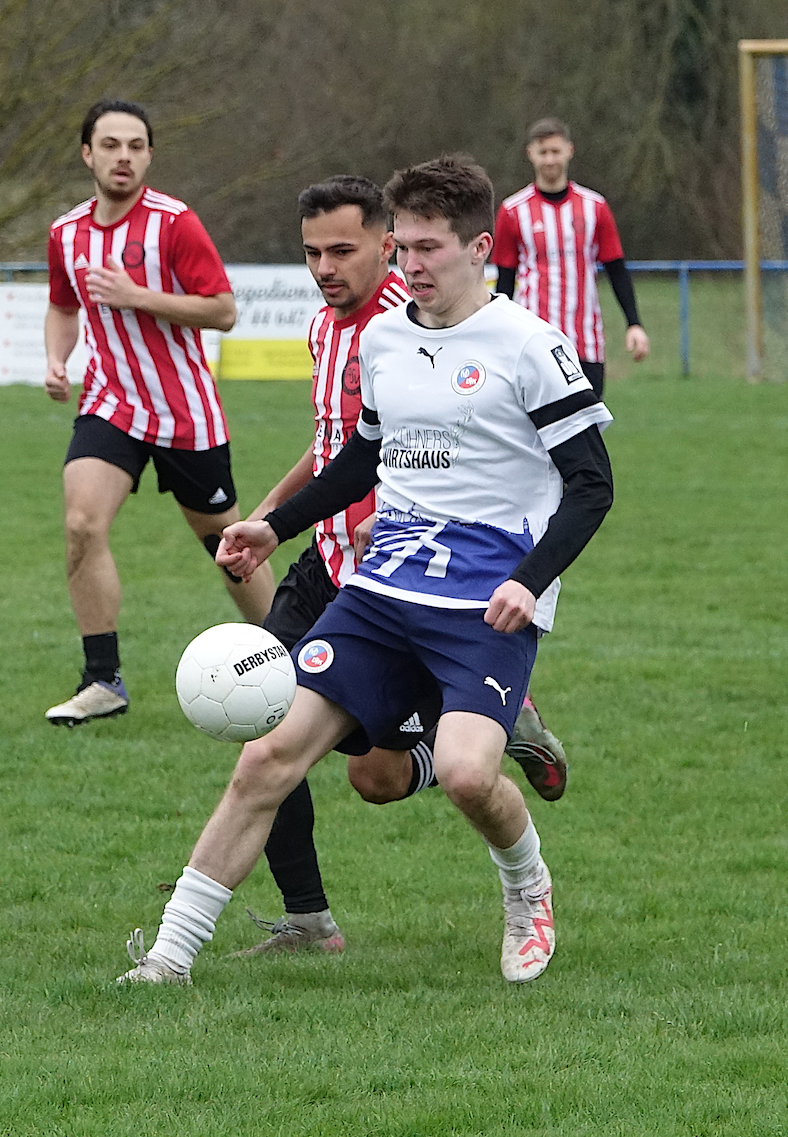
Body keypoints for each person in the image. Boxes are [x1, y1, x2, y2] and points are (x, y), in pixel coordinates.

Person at [116, 154, 614, 988]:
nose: (411, 264)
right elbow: (360, 459)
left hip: (485, 601)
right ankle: (168, 958)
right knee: (267, 758)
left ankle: (528, 885)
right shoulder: (385, 339)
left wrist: (529, 580)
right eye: (404, 247)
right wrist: (272, 526)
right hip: (379, 592)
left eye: (429, 248)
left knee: (467, 775)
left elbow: (593, 484)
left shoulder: (530, 345)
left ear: (479, 247)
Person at [237, 175, 572, 958]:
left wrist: (389, 518)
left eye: (342, 250)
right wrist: (273, 517)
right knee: (266, 722)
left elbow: (441, 451)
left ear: (385, 246)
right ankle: (308, 919)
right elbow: (336, 445)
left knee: (379, 778)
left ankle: (493, 723)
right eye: (312, 252)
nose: (325, 267)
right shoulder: (325, 329)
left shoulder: (417, 322)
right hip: (323, 565)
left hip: (404, 579)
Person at [43, 99, 274, 726]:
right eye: (110, 145)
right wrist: (57, 360)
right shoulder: (67, 233)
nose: (124, 157)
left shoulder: (175, 224)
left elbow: (223, 310)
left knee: (229, 547)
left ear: (149, 156)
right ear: (87, 154)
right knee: (82, 524)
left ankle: (294, 659)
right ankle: (102, 680)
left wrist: (137, 296)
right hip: (110, 404)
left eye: (136, 146)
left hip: (184, 411)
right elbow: (63, 306)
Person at [492, 117, 649, 400]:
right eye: (543, 152)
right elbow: (504, 279)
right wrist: (497, 334)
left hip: (585, 340)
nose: (550, 159)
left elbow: (616, 268)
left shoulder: (595, 207)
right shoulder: (512, 211)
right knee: (535, 423)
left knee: (588, 422)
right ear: (530, 154)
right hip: (533, 340)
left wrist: (634, 323)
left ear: (569, 151)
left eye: (555, 151)